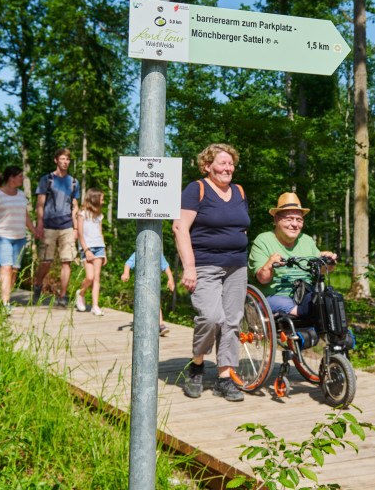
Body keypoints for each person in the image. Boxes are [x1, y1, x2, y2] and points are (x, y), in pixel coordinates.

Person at [172, 143, 250, 402]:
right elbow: (180, 228)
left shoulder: (239, 191)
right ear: (207, 166)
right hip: (205, 264)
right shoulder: (197, 189)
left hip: (236, 266)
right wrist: (189, 267)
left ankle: (225, 377)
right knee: (211, 317)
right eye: (222, 163)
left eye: (231, 163)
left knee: (232, 321)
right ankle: (196, 366)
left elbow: (241, 227)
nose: (228, 168)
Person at [249, 192, 337, 318]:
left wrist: (328, 262)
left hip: (304, 294)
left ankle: (335, 330)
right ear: (276, 220)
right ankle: (304, 316)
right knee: (302, 308)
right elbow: (263, 279)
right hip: (274, 297)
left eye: (299, 220)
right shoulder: (263, 240)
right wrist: (269, 264)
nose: (295, 224)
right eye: (289, 219)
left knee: (331, 300)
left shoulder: (306, 240)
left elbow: (322, 270)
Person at [0, 165, 38, 314]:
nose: (22, 179)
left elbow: (25, 216)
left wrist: (34, 231)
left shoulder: (21, 195)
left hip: (19, 238)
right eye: (20, 176)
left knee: (14, 271)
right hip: (0, 237)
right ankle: (5, 304)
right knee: (5, 268)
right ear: (11, 178)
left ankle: (4, 298)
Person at [34, 149, 80, 307]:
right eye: (62, 158)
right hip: (49, 225)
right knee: (46, 261)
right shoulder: (47, 179)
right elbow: (40, 204)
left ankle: (63, 295)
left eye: (68, 159)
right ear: (56, 160)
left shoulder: (73, 182)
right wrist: (39, 223)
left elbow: (75, 205)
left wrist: (75, 228)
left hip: (67, 226)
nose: (65, 162)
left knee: (67, 261)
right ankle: (38, 284)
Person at [121, 252, 175, 336]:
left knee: (156, 304)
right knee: (141, 304)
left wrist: (171, 279)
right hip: (141, 286)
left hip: (154, 285)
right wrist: (126, 273)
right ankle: (141, 324)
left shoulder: (157, 253)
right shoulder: (139, 251)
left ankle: (161, 325)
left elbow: (165, 266)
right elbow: (128, 263)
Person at [74, 188, 107, 315]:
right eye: (102, 198)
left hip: (99, 248)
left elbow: (100, 233)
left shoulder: (99, 215)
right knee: (90, 277)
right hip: (87, 248)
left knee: (97, 278)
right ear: (94, 198)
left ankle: (95, 306)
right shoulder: (82, 214)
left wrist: (104, 251)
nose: (103, 201)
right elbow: (80, 234)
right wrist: (86, 250)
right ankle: (81, 293)